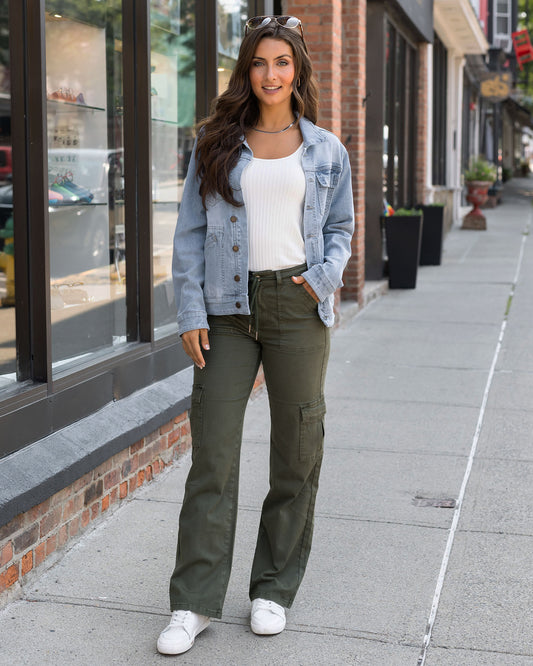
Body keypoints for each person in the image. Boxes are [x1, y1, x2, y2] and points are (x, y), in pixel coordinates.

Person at [157, 15, 354, 656]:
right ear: (246, 71)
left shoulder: (326, 149)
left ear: (297, 72)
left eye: (283, 63)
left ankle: (272, 587)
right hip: (226, 309)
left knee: (297, 448)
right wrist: (189, 311)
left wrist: (323, 279)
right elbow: (188, 233)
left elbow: (341, 228)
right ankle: (193, 603)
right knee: (213, 453)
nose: (271, 75)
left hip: (297, 306)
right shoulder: (217, 143)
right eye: (260, 64)